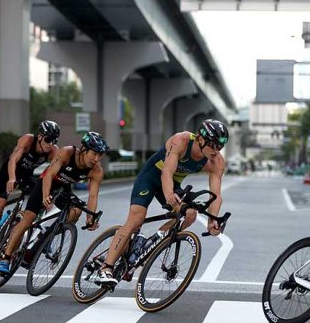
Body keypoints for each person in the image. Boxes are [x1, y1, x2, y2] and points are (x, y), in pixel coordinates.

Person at [97, 119, 229, 286]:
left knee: (190, 214)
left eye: (220, 147)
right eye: (213, 145)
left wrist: (213, 220)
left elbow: (216, 194)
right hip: (151, 178)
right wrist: (169, 195)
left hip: (173, 184)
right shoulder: (181, 141)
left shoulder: (216, 161)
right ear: (201, 139)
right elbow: (167, 172)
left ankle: (155, 240)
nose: (217, 151)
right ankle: (105, 268)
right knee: (136, 219)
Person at [0, 131, 109, 274]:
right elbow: (49, 174)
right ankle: (5, 258)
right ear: (84, 150)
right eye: (94, 153)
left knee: (76, 210)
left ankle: (47, 238)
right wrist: (45, 196)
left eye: (100, 155)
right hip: (46, 183)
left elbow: (93, 196)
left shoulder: (96, 170)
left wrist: (90, 217)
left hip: (63, 188)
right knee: (28, 219)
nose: (96, 159)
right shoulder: (67, 153)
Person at [0, 121, 60, 261]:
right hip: (9, 172)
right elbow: (13, 160)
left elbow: (51, 172)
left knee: (36, 203)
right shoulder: (27, 139)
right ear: (40, 136)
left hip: (27, 176)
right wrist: (12, 178)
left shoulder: (53, 151)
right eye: (48, 139)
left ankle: (13, 228)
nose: (50, 143)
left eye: (54, 140)